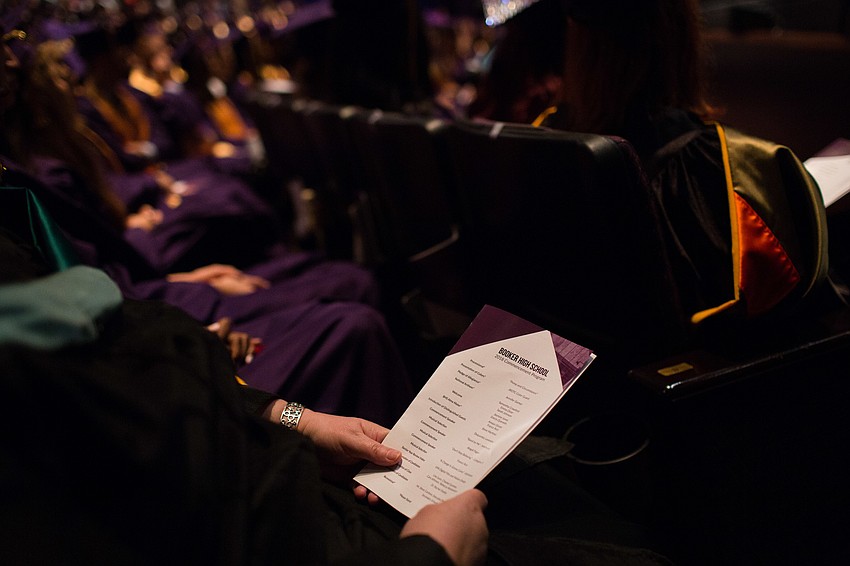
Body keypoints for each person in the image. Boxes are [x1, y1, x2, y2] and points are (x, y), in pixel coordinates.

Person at [469, 0, 831, 329]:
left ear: (577, 40)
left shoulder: (542, 141)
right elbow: (787, 305)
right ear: (681, 35)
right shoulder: (738, 170)